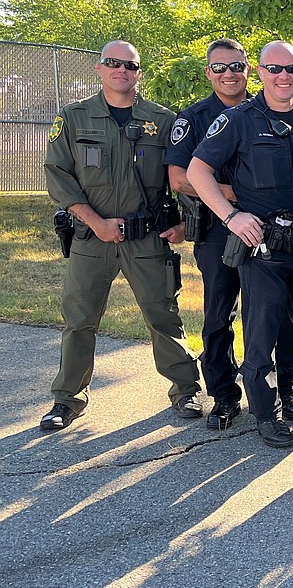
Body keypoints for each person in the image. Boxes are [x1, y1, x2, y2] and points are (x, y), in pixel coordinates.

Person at [187, 40, 293, 449]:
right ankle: (266, 413)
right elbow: (197, 170)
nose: (282, 77)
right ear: (260, 73)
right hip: (263, 249)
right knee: (263, 333)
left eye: (290, 69)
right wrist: (230, 216)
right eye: (274, 69)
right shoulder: (239, 120)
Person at [42, 40, 202, 430]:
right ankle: (67, 399)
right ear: (99, 69)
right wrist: (94, 221)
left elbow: (182, 176)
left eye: (130, 65)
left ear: (138, 73)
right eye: (113, 63)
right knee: (79, 319)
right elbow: (57, 174)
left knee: (163, 317)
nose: (122, 70)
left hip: (146, 238)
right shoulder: (75, 117)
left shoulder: (161, 120)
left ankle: (186, 390)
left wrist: (184, 222)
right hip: (91, 239)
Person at [166, 38, 293, 431]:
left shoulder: (271, 111)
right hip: (217, 230)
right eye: (220, 67)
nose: (229, 73)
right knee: (220, 314)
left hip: (268, 235)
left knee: (276, 314)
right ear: (208, 72)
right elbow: (180, 178)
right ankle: (225, 395)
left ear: (250, 70)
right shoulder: (194, 118)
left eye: (237, 66)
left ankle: (285, 390)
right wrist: (238, 198)